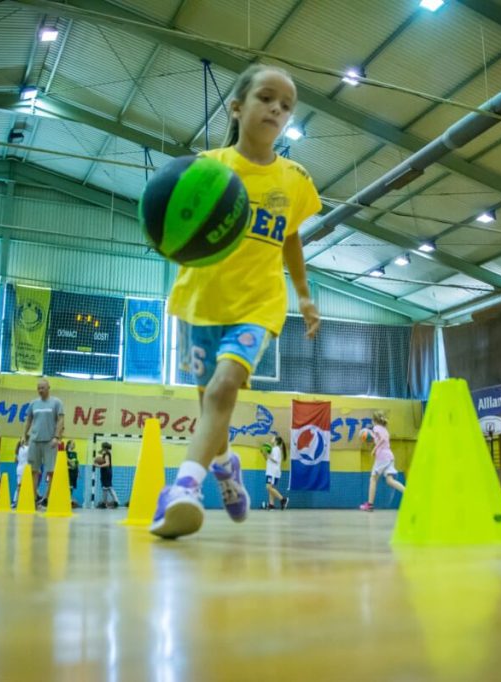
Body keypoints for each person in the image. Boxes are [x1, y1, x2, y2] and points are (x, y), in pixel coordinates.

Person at [151, 64, 321, 539]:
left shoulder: (296, 178)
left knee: (225, 388)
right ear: (237, 106)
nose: (277, 109)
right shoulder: (204, 169)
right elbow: (170, 227)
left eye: (286, 105)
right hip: (200, 302)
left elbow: (290, 238)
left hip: (259, 304)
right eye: (267, 98)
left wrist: (304, 298)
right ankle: (226, 468)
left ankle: (182, 491)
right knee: (211, 405)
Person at [23, 378, 64, 506]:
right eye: (38, 388)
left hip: (49, 442)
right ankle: (34, 497)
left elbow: (61, 420)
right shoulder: (33, 404)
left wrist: (56, 437)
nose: (40, 390)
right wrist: (24, 435)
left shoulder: (57, 402)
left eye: (43, 388)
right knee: (33, 470)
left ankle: (47, 498)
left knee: (51, 471)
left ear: (48, 388)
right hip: (34, 440)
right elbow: (29, 420)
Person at [359, 411, 405, 512]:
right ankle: (408, 493)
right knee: (390, 481)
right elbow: (381, 438)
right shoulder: (384, 429)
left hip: (383, 457)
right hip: (389, 456)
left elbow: (383, 439)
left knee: (373, 479)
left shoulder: (376, 428)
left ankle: (370, 505)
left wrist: (375, 449)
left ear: (374, 420)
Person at [260, 435, 289, 510]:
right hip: (272, 471)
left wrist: (268, 455)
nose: (271, 438)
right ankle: (271, 504)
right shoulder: (274, 449)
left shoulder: (276, 449)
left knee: (268, 487)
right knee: (271, 488)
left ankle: (283, 499)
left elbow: (275, 460)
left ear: (276, 441)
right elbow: (269, 460)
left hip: (272, 472)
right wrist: (264, 455)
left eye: (273, 438)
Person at [93, 442, 120, 509]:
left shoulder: (106, 454)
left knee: (105, 488)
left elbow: (107, 463)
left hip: (106, 472)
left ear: (104, 447)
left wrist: (98, 465)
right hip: (107, 472)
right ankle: (113, 501)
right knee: (108, 487)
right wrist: (102, 451)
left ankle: (106, 503)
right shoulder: (106, 453)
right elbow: (100, 452)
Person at [13, 436, 30, 506]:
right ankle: (17, 501)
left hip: (19, 469)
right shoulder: (27, 448)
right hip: (25, 469)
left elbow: (15, 460)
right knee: (21, 486)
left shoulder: (18, 449)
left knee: (19, 486)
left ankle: (15, 501)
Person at [65, 439, 81, 509]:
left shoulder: (75, 453)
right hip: (68, 471)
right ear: (68, 444)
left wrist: (78, 472)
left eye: (75, 444)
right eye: (73, 443)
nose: (74, 445)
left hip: (74, 471)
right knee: (68, 485)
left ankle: (70, 499)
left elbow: (77, 463)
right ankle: (67, 499)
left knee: (72, 486)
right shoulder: (65, 453)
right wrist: (69, 464)